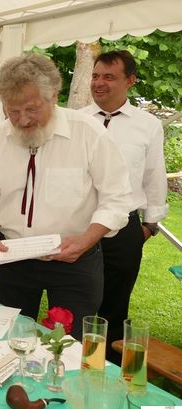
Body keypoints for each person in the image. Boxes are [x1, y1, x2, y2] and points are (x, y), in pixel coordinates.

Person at [0, 53, 133, 341]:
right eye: (12, 111)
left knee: (71, 346)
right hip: (14, 259)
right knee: (11, 343)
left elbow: (117, 199)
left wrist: (87, 239)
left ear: (53, 95)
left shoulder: (88, 133)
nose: (22, 120)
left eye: (31, 109)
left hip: (76, 262)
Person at [80, 50, 168, 364]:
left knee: (115, 307)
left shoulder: (147, 125)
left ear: (130, 80)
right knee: (76, 302)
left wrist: (149, 226)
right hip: (79, 226)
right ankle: (73, 365)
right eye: (95, 76)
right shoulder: (77, 120)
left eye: (109, 76)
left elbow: (154, 174)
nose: (99, 83)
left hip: (123, 229)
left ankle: (109, 374)